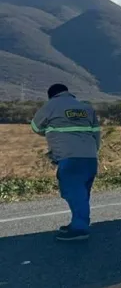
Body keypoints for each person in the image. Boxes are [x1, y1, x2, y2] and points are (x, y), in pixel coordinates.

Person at [30, 84, 102, 241]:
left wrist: (50, 131)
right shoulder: (86, 107)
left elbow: (35, 126)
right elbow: (97, 134)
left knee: (73, 192)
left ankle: (80, 228)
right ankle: (78, 222)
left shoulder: (51, 105)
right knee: (82, 193)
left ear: (51, 95)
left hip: (69, 158)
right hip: (90, 158)